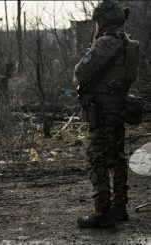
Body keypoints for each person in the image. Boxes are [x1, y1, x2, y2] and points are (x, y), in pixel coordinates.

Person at [74, 0, 140, 228]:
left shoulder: (104, 43)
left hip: (101, 111)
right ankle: (120, 207)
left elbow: (81, 72)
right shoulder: (129, 44)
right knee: (117, 158)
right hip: (118, 108)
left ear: (102, 21)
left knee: (97, 159)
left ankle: (102, 211)